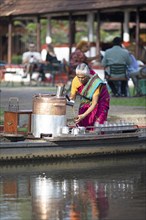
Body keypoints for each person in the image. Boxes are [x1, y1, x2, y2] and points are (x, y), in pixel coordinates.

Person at [69, 63, 110, 128]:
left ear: (88, 75)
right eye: (78, 77)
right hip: (87, 100)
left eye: (83, 77)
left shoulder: (95, 83)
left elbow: (94, 103)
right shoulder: (75, 81)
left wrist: (83, 115)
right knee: (83, 121)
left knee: (98, 121)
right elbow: (72, 98)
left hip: (101, 99)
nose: (80, 79)